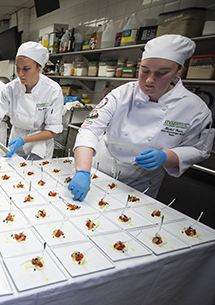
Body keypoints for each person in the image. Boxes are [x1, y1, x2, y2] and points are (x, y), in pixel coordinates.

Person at [68, 34, 214, 201]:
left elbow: (200, 149)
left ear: (179, 70)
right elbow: (90, 130)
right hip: (100, 169)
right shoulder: (121, 94)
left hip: (141, 180)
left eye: (162, 73)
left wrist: (166, 157)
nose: (149, 80)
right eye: (144, 71)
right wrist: (82, 171)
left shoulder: (195, 108)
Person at [0, 41, 64, 168]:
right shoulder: (10, 89)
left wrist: (25, 140)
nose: (20, 74)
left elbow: (53, 130)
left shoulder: (52, 90)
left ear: (39, 66)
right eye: (17, 68)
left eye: (26, 69)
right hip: (15, 142)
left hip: (40, 147)